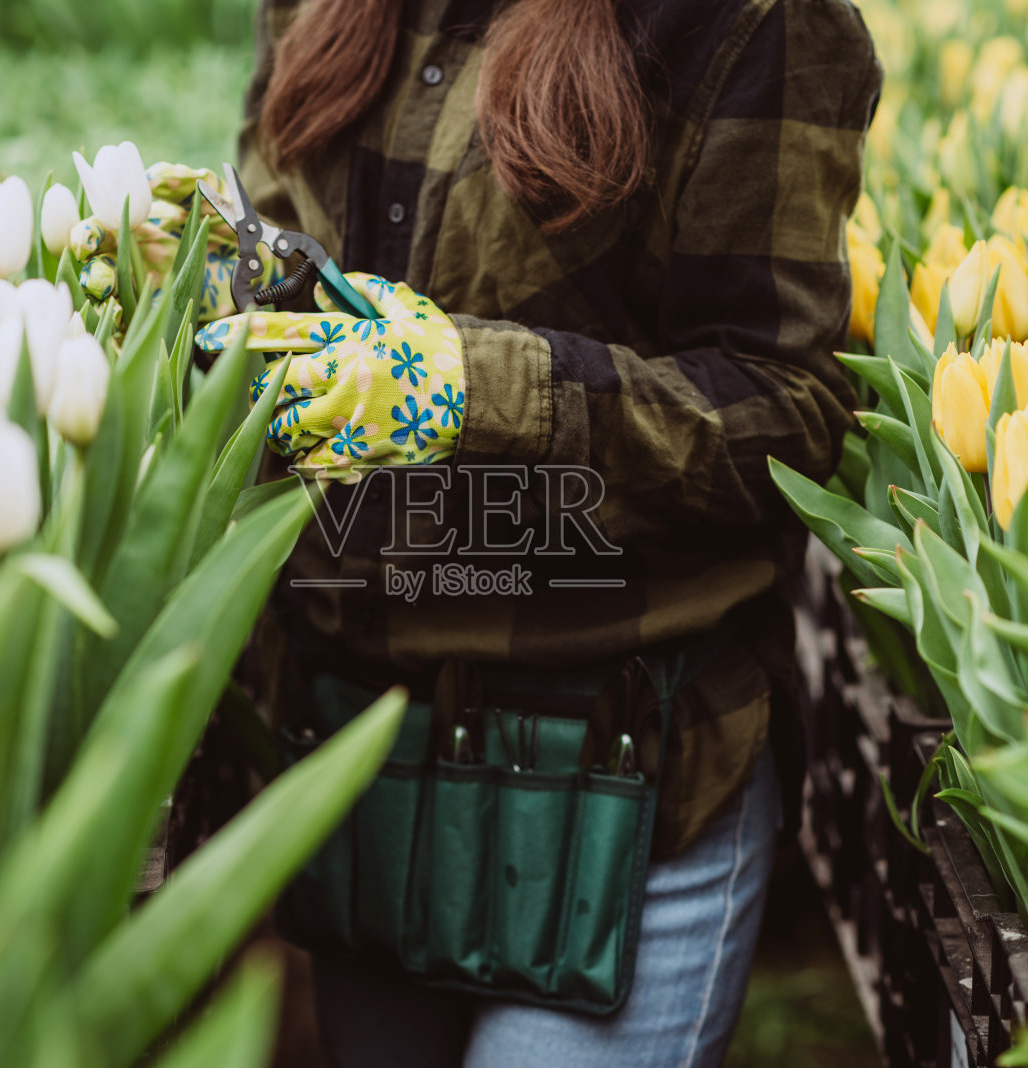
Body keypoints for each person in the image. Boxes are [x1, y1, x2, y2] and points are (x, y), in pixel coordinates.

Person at [192, 0, 884, 1064]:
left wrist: (483, 388)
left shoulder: (750, 24)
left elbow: (781, 411)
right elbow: (286, 251)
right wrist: (209, 281)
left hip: (616, 775)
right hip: (360, 753)